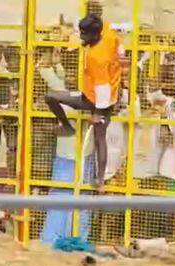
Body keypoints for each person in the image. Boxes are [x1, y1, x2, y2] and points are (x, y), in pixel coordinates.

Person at [44, 13, 121, 194]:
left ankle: (100, 181)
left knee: (99, 138)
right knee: (51, 97)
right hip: (92, 93)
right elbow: (120, 27)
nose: (81, 37)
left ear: (95, 35)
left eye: (84, 34)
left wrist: (97, 114)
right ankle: (67, 127)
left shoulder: (97, 57)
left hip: (101, 102)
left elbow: (102, 89)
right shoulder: (107, 31)